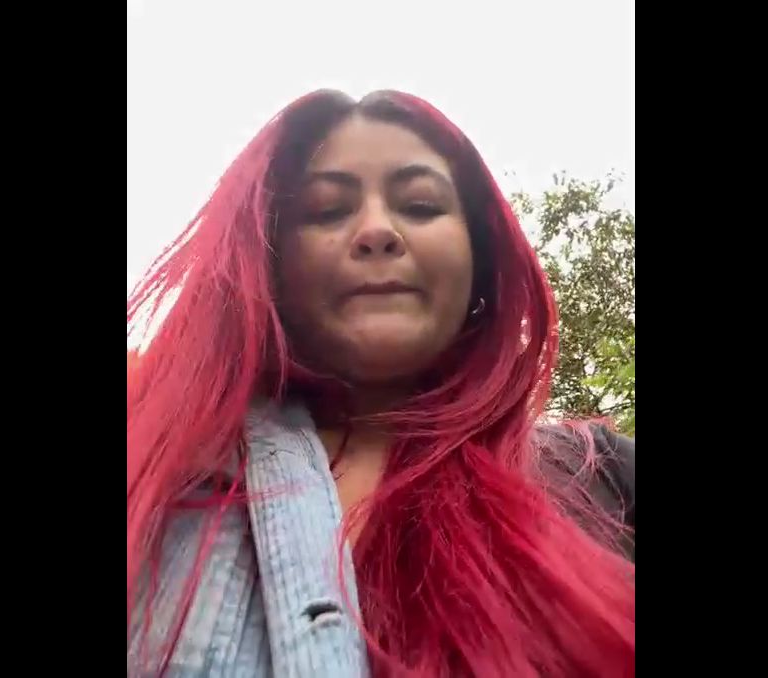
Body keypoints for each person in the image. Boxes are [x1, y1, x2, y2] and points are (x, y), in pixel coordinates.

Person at [127, 89, 635, 678]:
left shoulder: (604, 476)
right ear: (267, 262)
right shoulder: (156, 467)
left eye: (420, 205)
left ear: (481, 262)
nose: (376, 231)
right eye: (326, 211)